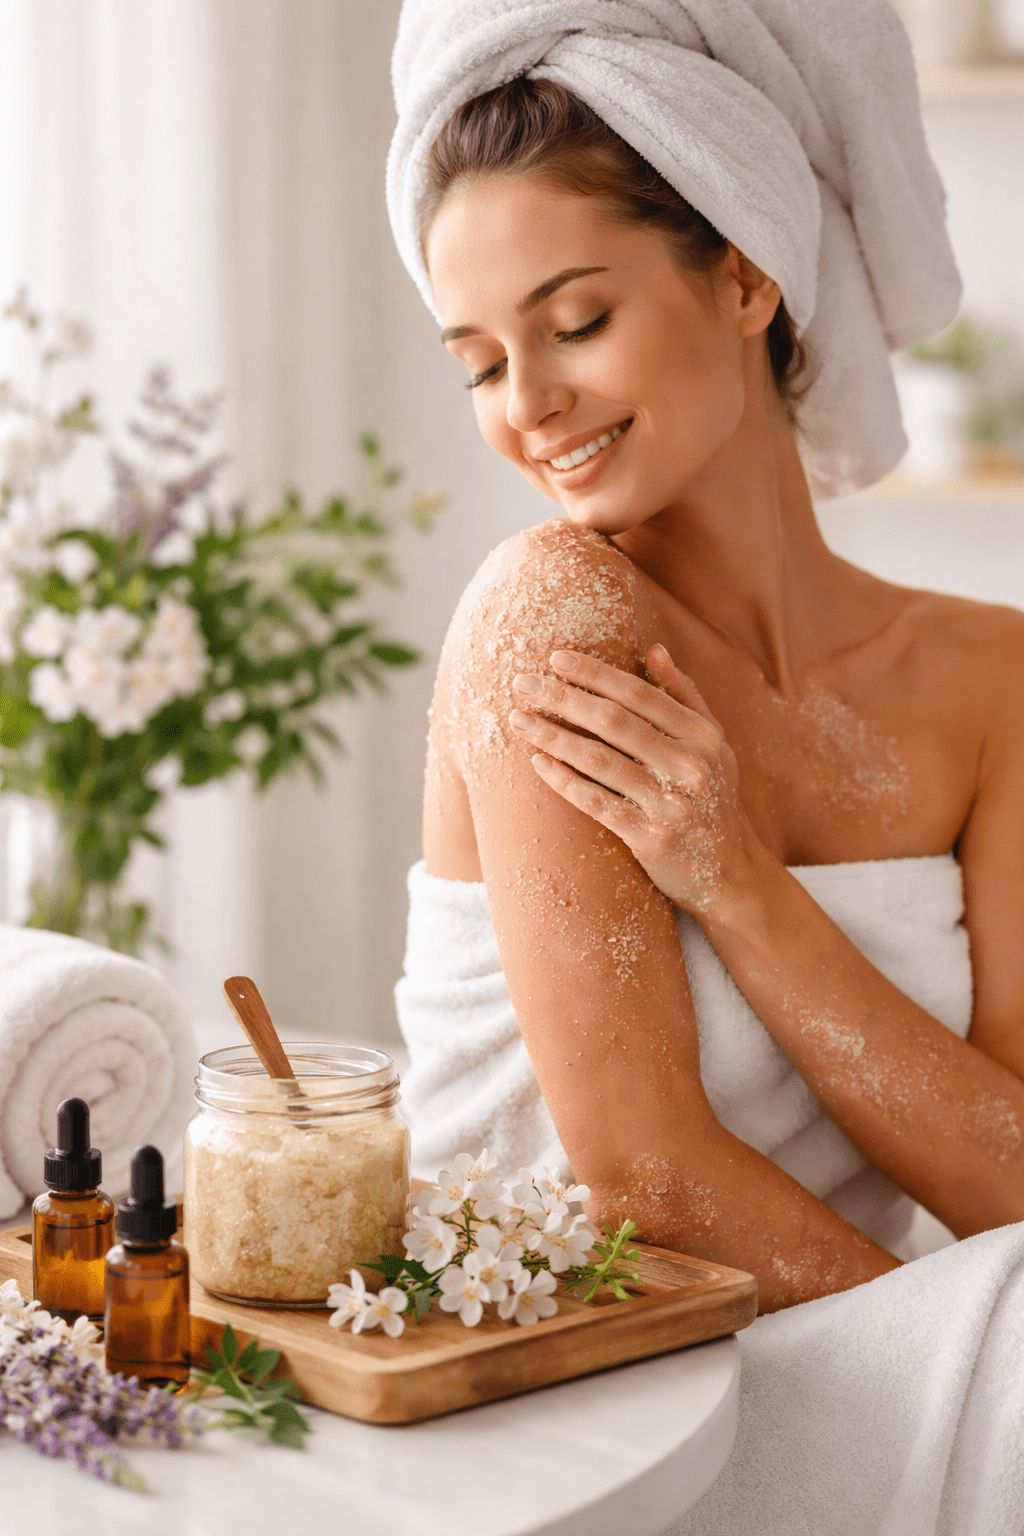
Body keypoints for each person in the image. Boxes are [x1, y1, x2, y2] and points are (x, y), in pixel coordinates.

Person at [388, 5, 1024, 1531]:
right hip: (601, 1390)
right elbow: (642, 1187)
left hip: (866, 1344)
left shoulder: (990, 678)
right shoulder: (556, 618)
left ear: (745, 271)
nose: (526, 405)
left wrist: (743, 886)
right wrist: (977, 1380)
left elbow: (1010, 1176)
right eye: (479, 360)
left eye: (576, 320)